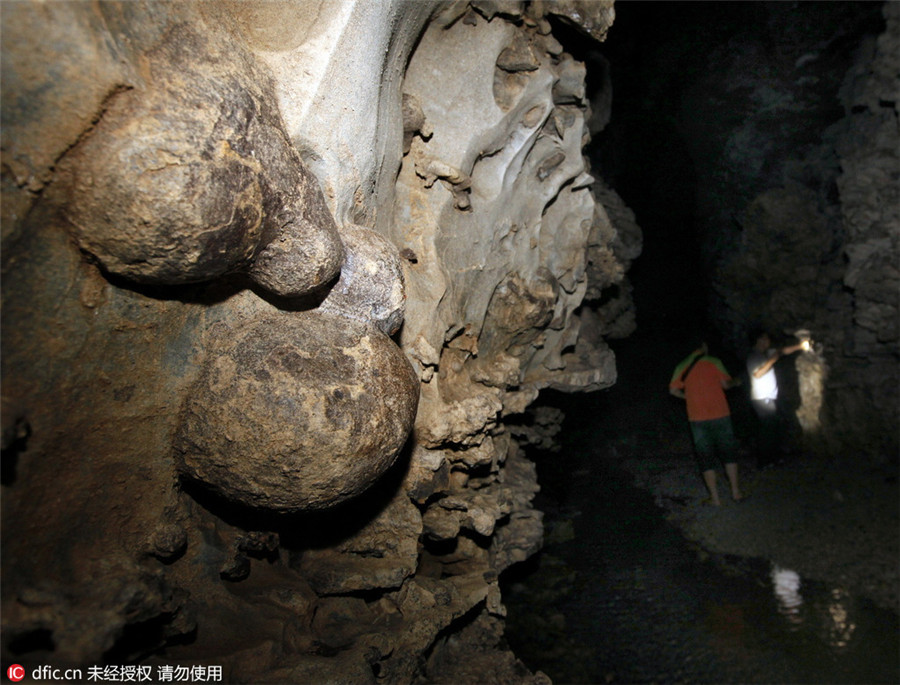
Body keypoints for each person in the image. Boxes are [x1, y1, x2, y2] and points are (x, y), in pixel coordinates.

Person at [669, 339, 743, 506]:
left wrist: (688, 397)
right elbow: (726, 384)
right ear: (703, 346)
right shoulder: (714, 361)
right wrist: (737, 381)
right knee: (728, 451)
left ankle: (715, 499)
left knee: (705, 457)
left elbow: (673, 391)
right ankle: (736, 492)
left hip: (697, 419)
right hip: (721, 414)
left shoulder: (681, 366)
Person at [746, 330, 806, 467]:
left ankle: (771, 458)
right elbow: (757, 374)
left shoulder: (765, 353)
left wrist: (800, 346)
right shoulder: (754, 356)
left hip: (769, 398)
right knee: (767, 430)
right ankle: (765, 461)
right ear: (758, 340)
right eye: (764, 339)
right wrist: (773, 360)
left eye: (767, 339)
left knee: (772, 428)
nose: (767, 342)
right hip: (762, 399)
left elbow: (782, 351)